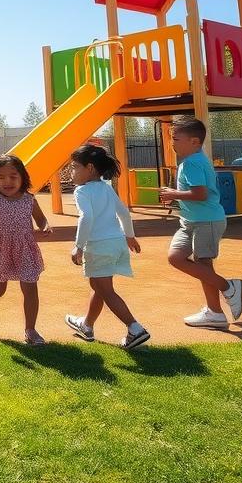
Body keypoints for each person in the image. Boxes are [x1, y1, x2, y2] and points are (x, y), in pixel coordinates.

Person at [159, 116, 242, 328]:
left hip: (206, 221)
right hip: (191, 221)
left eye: (176, 139)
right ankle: (219, 303)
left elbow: (200, 194)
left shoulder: (192, 163)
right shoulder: (193, 160)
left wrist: (174, 194)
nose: (172, 143)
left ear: (194, 141)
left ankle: (223, 297)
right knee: (177, 257)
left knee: (202, 263)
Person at [63, 145, 149, 349]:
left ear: (90, 168)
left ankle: (135, 328)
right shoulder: (106, 187)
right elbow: (124, 213)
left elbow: (87, 217)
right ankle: (87, 325)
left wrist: (78, 246)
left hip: (98, 246)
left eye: (75, 167)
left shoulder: (82, 191)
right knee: (99, 286)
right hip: (116, 243)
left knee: (106, 290)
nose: (71, 171)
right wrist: (130, 236)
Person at [0, 154, 50, 345]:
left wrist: (45, 227)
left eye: (13, 177)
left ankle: (30, 330)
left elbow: (41, 219)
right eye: (1, 177)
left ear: (23, 177)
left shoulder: (29, 200)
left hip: (25, 249)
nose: (7, 181)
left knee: (30, 288)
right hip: (0, 249)